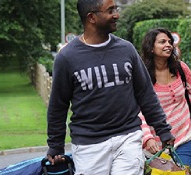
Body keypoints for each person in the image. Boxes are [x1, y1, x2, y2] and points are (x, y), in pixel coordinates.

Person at [46, 0, 175, 174]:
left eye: (116, 9)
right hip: (89, 146)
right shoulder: (67, 57)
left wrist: (163, 130)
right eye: (110, 10)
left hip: (128, 137)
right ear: (91, 17)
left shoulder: (126, 49)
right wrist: (55, 145)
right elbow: (58, 105)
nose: (116, 15)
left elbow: (145, 93)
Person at [139, 28, 191, 168]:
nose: (168, 44)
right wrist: (147, 138)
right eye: (162, 42)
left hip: (184, 136)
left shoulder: (181, 69)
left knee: (183, 171)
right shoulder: (142, 75)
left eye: (169, 42)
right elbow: (138, 111)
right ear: (151, 48)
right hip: (155, 143)